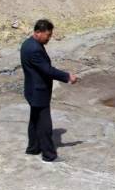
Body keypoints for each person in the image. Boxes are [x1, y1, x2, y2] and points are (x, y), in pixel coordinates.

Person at [20, 19, 78, 162]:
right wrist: (67, 77)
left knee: (34, 120)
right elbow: (47, 70)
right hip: (39, 92)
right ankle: (49, 155)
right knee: (45, 124)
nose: (49, 38)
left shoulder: (28, 43)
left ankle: (33, 148)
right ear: (38, 32)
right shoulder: (34, 49)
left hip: (32, 90)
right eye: (48, 35)